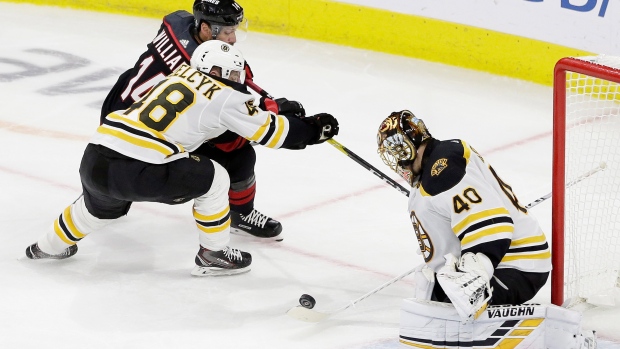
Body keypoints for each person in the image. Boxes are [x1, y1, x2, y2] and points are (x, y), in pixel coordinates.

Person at [24, 40, 339, 277]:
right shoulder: (226, 94)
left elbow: (217, 113)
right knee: (216, 179)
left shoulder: (178, 76)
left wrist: (271, 110)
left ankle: (46, 247)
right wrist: (313, 128)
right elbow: (275, 134)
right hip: (141, 168)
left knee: (95, 209)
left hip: (96, 155)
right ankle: (214, 254)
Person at [101, 0, 305, 242]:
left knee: (105, 203)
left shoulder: (174, 22)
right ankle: (239, 214)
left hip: (116, 114)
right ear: (207, 29)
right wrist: (274, 109)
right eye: (228, 32)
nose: (233, 39)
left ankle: (100, 196)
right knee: (238, 152)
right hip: (152, 137)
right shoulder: (201, 71)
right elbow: (234, 108)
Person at [376, 110, 552, 320]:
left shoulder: (443, 170)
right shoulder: (434, 169)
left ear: (408, 147)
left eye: (396, 151)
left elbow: (495, 228)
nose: (396, 161)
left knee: (458, 293)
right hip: (504, 265)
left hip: (518, 267)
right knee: (430, 285)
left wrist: (470, 280)